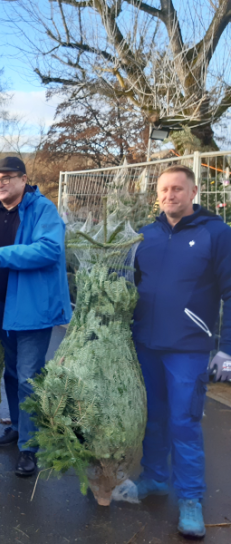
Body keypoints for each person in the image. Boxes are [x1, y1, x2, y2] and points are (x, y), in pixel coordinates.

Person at [129, 165, 231, 539]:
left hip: (188, 348)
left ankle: (190, 499)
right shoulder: (146, 236)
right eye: (164, 190)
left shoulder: (216, 234)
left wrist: (227, 350)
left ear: (194, 192)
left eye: (177, 189)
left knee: (184, 422)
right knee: (152, 417)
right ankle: (154, 478)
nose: (169, 195)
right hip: (145, 344)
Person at [0, 156, 72, 477]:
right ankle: (18, 427)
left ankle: (30, 448)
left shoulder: (41, 209)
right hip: (1, 305)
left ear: (23, 179)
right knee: (13, 373)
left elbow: (48, 250)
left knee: (30, 377)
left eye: (6, 178)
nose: (0, 184)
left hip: (32, 309)